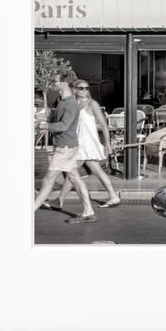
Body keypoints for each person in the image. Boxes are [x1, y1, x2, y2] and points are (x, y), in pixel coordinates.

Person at [33, 70, 97, 223]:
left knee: (49, 180)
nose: (53, 83)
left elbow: (64, 125)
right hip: (67, 145)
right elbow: (61, 119)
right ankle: (88, 212)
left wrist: (43, 125)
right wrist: (46, 118)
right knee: (74, 178)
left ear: (64, 83)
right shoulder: (63, 101)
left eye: (55, 81)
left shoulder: (69, 103)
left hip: (65, 147)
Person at [52, 79, 122, 209]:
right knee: (94, 170)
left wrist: (108, 144)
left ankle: (59, 201)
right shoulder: (72, 104)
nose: (84, 90)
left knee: (71, 172)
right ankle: (113, 196)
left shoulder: (92, 104)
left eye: (86, 88)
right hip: (77, 142)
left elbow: (103, 124)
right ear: (74, 89)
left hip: (87, 143)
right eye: (80, 88)